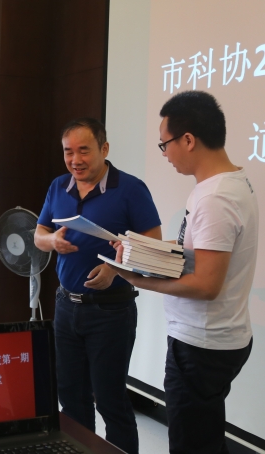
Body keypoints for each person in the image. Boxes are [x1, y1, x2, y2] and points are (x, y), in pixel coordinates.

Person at [109, 91, 258, 454]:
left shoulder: (215, 198)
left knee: (191, 444)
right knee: (205, 437)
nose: (165, 154)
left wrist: (139, 280)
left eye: (165, 144)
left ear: (188, 140)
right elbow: (198, 253)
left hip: (201, 344)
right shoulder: (230, 182)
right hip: (217, 338)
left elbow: (207, 285)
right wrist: (142, 251)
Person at [33, 118, 162, 454]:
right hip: (66, 307)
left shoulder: (131, 189)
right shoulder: (58, 186)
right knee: (71, 397)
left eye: (84, 151)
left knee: (110, 399)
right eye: (68, 152)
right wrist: (52, 242)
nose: (75, 160)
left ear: (104, 149)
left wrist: (115, 268)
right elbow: (38, 234)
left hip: (111, 311)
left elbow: (154, 246)